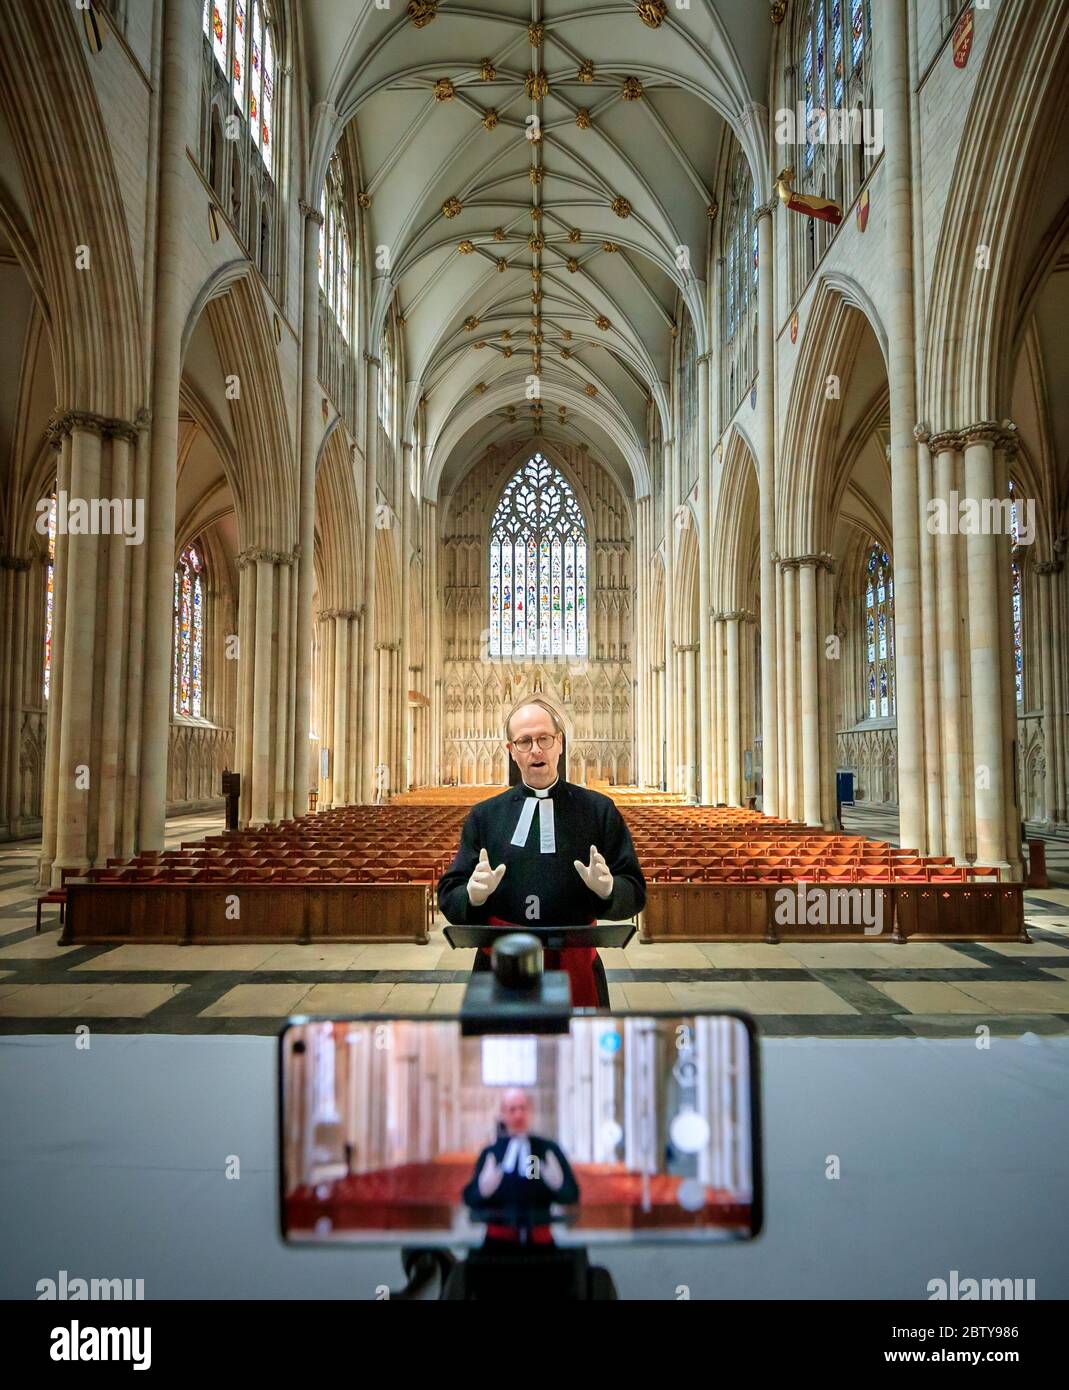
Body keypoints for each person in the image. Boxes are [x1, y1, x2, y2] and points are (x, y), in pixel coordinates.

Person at [437, 698, 646, 1006]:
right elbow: (450, 895)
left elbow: (635, 891)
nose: (536, 749)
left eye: (544, 738)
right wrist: (472, 896)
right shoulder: (485, 816)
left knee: (578, 1052)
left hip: (576, 964)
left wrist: (610, 889)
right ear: (511, 752)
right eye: (524, 741)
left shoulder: (598, 811)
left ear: (559, 743)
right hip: (502, 964)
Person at [462, 1087, 579, 1243]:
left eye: (523, 1108)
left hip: (539, 1242)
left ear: (530, 1111)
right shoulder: (492, 1153)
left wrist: (558, 1186)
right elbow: (470, 1198)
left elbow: (572, 1195)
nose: (518, 1115)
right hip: (498, 1244)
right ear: (503, 1114)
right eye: (512, 1110)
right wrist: (482, 1191)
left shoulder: (546, 1149)